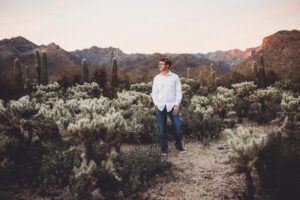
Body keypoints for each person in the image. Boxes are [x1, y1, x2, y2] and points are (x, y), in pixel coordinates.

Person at [151, 57, 187, 156]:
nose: (159, 66)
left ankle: (179, 146)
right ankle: (164, 149)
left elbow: (178, 92)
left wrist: (176, 104)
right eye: (159, 64)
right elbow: (154, 93)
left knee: (177, 127)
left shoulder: (175, 77)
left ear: (167, 65)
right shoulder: (156, 78)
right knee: (162, 129)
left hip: (172, 106)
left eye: (161, 64)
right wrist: (157, 104)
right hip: (161, 106)